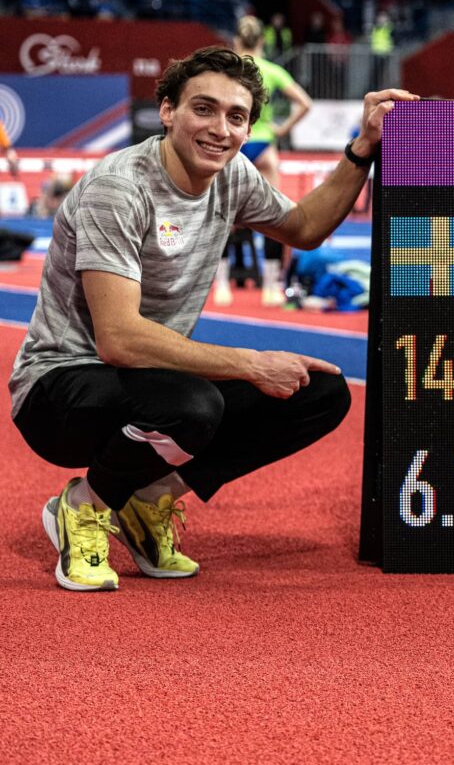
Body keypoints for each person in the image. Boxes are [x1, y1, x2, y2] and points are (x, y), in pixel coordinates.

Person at [10, 46, 417, 591]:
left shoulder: (232, 177)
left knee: (318, 391)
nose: (219, 129)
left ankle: (148, 501)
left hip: (149, 385)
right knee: (193, 404)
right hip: (58, 392)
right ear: (168, 110)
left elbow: (304, 228)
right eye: (203, 109)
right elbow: (118, 339)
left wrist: (363, 147)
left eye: (236, 116)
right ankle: (84, 505)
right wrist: (249, 363)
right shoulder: (119, 187)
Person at [215, 16, 313, 307]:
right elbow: (305, 103)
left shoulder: (227, 71)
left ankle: (222, 287)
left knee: (222, 215)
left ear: (236, 41)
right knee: (275, 216)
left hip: (234, 144)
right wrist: (282, 129)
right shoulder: (272, 70)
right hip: (264, 147)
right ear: (262, 42)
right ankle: (271, 288)